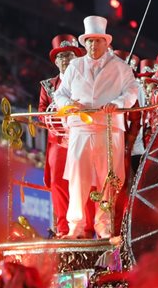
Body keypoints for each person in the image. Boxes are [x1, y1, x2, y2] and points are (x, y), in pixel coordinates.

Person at [51, 16, 139, 238]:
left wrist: (118, 104)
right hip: (81, 126)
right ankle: (75, 226)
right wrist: (68, 105)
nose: (93, 45)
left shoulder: (120, 67)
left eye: (97, 41)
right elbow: (60, 93)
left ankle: (104, 224)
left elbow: (131, 91)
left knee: (109, 177)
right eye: (89, 41)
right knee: (77, 177)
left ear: (106, 42)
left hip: (109, 127)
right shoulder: (75, 65)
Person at [39, 34, 88, 238]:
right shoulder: (48, 85)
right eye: (61, 56)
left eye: (69, 55)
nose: (65, 60)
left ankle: (86, 228)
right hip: (58, 141)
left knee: (84, 181)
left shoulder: (85, 81)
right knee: (59, 183)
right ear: (56, 61)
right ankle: (63, 228)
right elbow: (41, 112)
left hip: (82, 137)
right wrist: (55, 118)